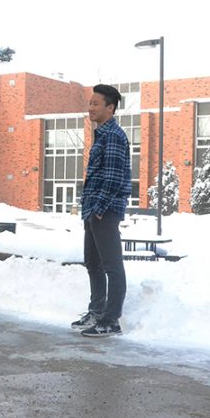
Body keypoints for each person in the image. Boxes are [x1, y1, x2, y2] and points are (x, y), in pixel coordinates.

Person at [72, 84, 132, 337]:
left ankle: (111, 320)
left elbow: (114, 178)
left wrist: (98, 209)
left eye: (96, 104)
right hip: (93, 210)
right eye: (90, 103)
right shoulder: (101, 134)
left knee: (111, 265)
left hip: (104, 211)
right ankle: (97, 311)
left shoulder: (114, 136)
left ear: (111, 107)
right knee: (92, 262)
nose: (91, 108)